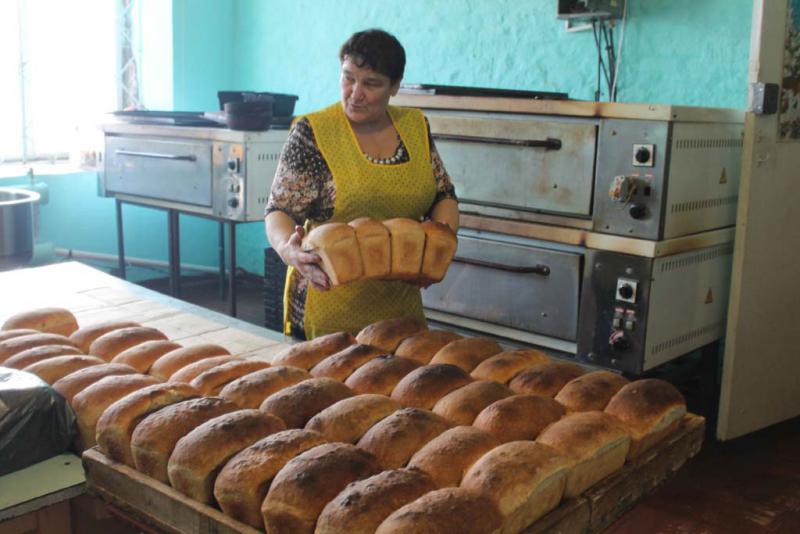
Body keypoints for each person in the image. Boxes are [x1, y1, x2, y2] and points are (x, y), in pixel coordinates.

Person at [265, 28, 459, 340]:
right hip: (330, 305)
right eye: (348, 78)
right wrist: (288, 250)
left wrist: (440, 244)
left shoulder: (414, 126)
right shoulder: (313, 132)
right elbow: (279, 210)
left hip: (400, 309)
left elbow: (443, 195)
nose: (355, 92)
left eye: (371, 83)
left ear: (394, 87)